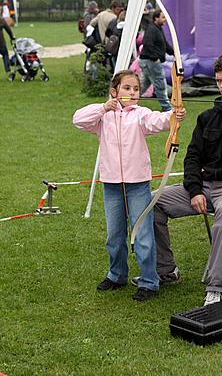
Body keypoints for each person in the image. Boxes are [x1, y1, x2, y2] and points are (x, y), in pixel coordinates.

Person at [133, 53, 222, 306]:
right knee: (149, 204)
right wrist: (194, 190)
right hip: (202, 186)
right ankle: (166, 270)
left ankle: (215, 288)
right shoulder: (207, 117)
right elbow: (192, 158)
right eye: (218, 80)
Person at [73, 70, 186, 301]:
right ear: (114, 91)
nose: (132, 93)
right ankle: (116, 275)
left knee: (143, 235)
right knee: (114, 235)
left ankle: (149, 281)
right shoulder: (102, 117)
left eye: (136, 89)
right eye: (127, 88)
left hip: (138, 184)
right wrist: (104, 107)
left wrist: (174, 115)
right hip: (112, 184)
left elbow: (158, 121)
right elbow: (78, 119)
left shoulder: (140, 114)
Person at [139, 9, 174, 112]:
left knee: (143, 85)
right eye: (163, 17)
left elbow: (164, 43)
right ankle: (167, 108)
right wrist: (155, 57)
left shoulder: (158, 28)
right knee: (160, 83)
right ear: (156, 18)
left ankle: (127, 100)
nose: (165, 20)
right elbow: (147, 43)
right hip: (151, 61)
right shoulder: (152, 29)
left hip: (148, 61)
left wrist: (173, 52)